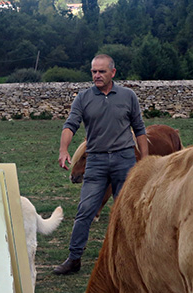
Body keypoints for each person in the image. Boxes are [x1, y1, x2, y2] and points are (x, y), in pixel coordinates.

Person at [53, 54, 148, 275]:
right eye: (94, 71)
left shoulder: (128, 96)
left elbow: (140, 129)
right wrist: (63, 149)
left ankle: (136, 260)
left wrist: (145, 160)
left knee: (128, 212)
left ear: (112, 72)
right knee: (85, 210)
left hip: (124, 160)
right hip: (95, 161)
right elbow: (70, 124)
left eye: (101, 71)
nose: (96, 75)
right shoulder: (84, 98)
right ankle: (74, 259)